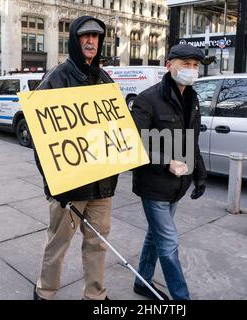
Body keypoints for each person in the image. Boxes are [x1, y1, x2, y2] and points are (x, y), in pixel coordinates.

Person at [33, 16, 118, 301]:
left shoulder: (105, 79)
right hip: (69, 185)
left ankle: (95, 295)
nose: (91, 40)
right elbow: (39, 133)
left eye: (96, 36)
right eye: (85, 36)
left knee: (98, 243)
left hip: (101, 184)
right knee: (58, 243)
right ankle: (45, 292)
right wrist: (53, 182)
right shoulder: (57, 77)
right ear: (74, 39)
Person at [131, 44, 208, 300]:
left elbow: (191, 140)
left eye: (195, 66)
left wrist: (200, 174)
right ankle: (181, 297)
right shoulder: (147, 99)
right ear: (169, 65)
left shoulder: (193, 98)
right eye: (185, 64)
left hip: (178, 185)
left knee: (155, 235)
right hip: (154, 184)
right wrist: (166, 163)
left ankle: (142, 281)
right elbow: (135, 144)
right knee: (168, 241)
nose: (191, 70)